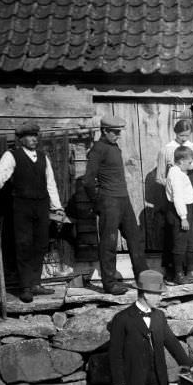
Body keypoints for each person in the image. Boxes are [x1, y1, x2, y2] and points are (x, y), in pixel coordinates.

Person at [0, 122, 65, 303]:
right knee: (23, 245)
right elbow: (0, 178)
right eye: (30, 136)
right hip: (21, 207)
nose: (34, 139)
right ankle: (24, 287)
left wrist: (57, 207)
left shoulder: (42, 157)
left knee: (40, 244)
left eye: (35, 136)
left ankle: (36, 284)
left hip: (41, 205)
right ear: (21, 139)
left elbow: (50, 183)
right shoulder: (11, 155)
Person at [83, 115, 149, 295]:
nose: (118, 135)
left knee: (135, 239)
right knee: (108, 243)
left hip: (123, 199)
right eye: (115, 132)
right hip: (109, 201)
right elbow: (88, 181)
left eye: (119, 132)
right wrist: (97, 202)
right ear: (104, 131)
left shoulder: (114, 147)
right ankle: (110, 284)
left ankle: (143, 279)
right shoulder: (98, 149)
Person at [165, 146, 193, 285]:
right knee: (180, 243)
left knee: (192, 242)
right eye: (189, 162)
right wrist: (183, 217)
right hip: (179, 213)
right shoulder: (175, 174)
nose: (191, 165)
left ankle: (191, 273)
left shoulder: (180, 173)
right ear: (181, 161)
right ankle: (178, 274)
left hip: (187, 210)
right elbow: (177, 197)